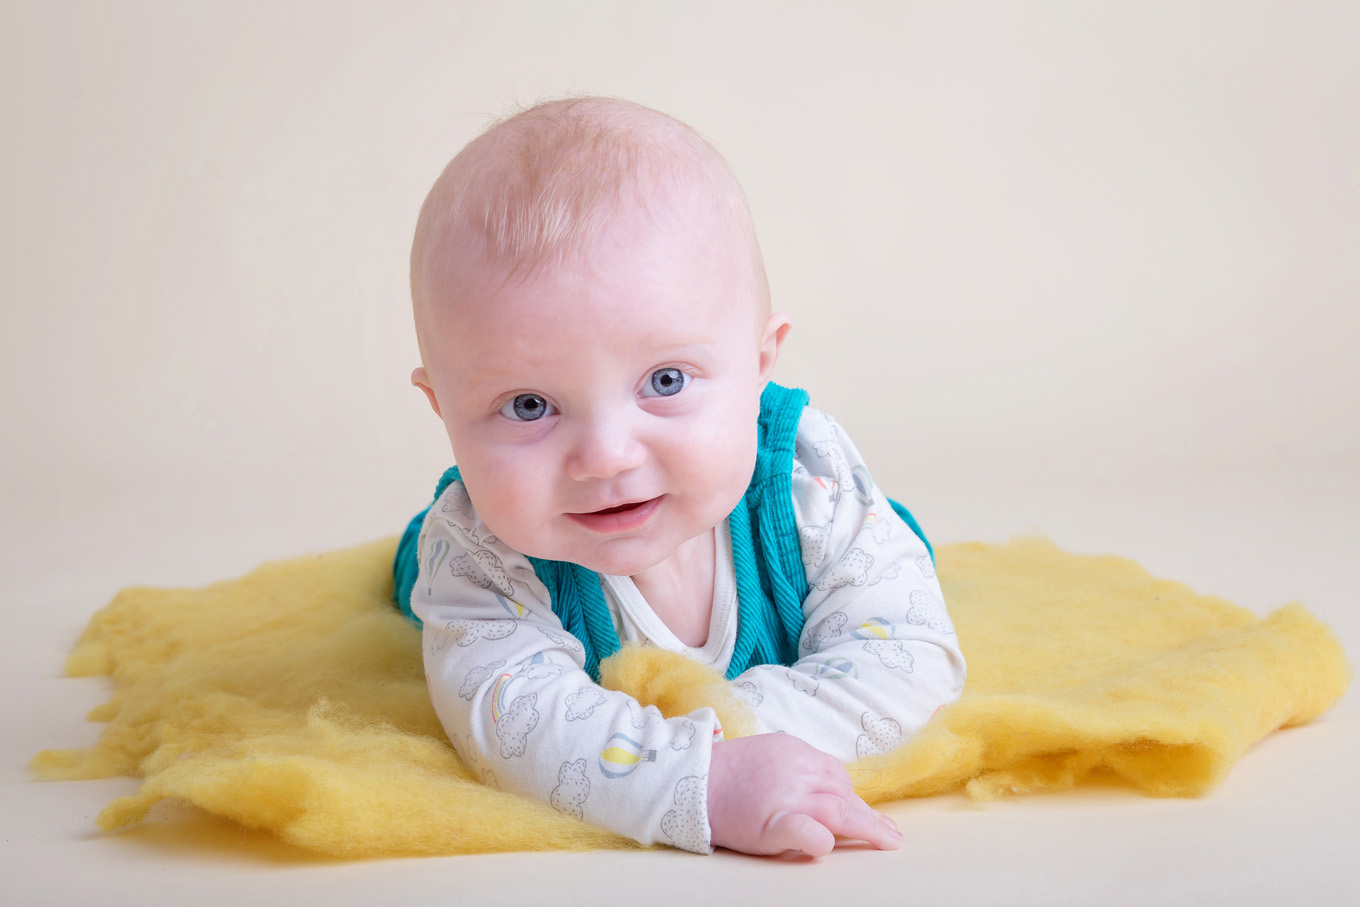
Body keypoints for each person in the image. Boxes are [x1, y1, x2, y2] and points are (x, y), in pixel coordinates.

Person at [394, 96, 966, 857]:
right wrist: (704, 779)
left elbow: (909, 664)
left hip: (808, 527)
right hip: (479, 558)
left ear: (759, 367)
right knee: (423, 575)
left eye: (664, 381)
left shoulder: (808, 481)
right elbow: (512, 723)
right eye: (528, 405)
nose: (607, 456)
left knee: (893, 560)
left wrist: (729, 731)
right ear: (443, 408)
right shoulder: (482, 549)